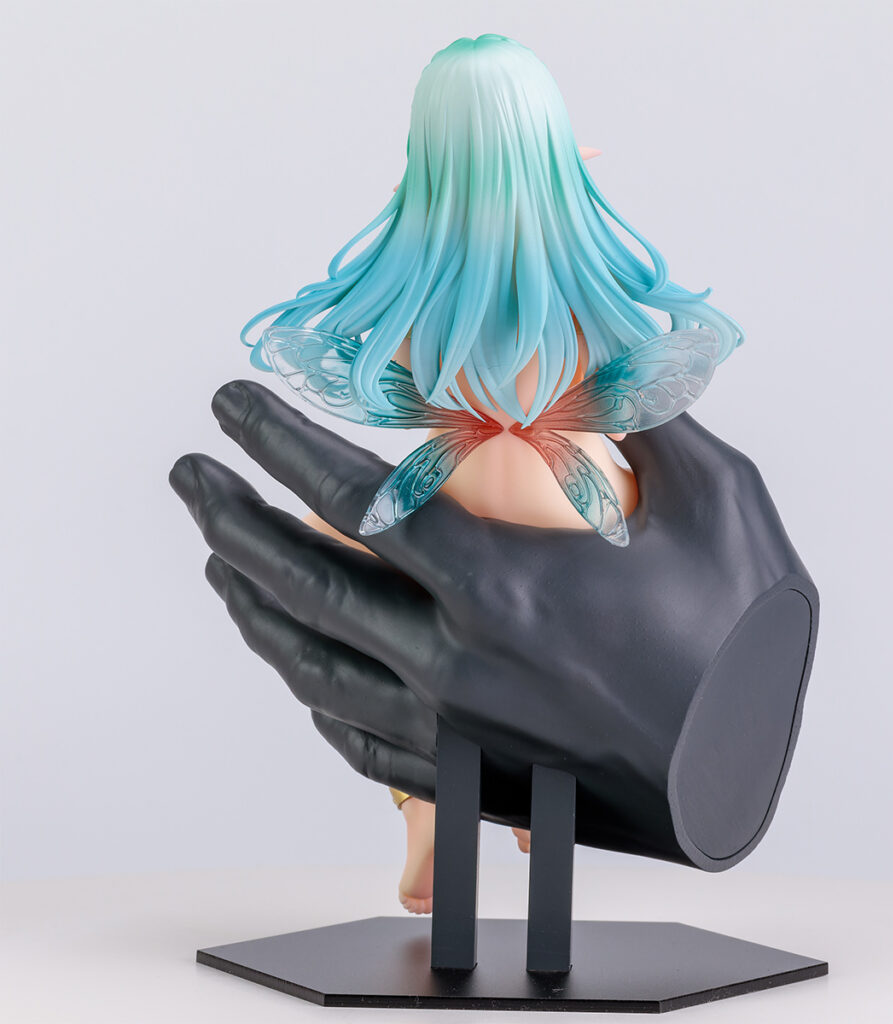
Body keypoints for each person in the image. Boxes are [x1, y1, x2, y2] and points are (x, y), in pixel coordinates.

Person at [239, 33, 741, 914]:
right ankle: (534, 802)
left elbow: (400, 378)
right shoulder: (580, 283)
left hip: (462, 496)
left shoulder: (421, 292)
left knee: (396, 637)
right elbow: (624, 375)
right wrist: (561, 180)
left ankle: (432, 817)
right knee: (506, 645)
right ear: (549, 150)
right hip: (581, 503)